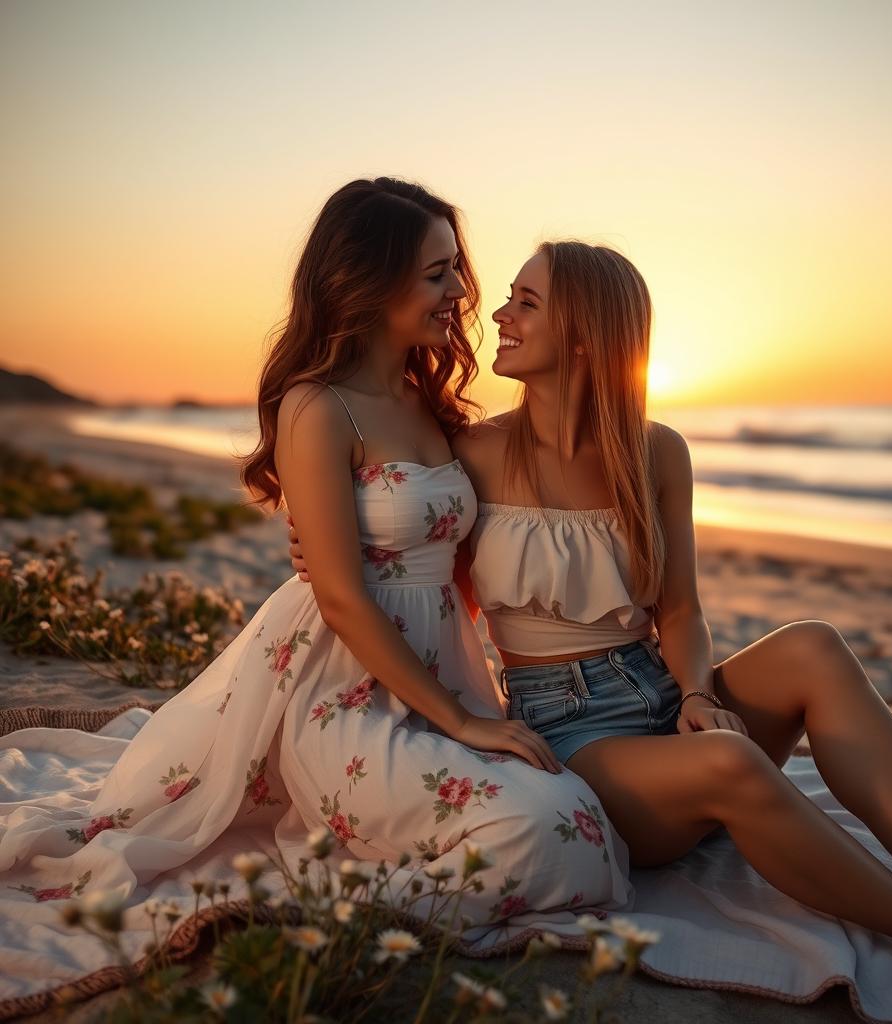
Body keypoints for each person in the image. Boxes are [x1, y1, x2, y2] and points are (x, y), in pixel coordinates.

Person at [288, 238, 892, 997]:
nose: (498, 315)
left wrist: (700, 694)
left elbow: (681, 609)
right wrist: (322, 547)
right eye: (508, 297)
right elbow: (406, 533)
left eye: (524, 302)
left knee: (815, 647)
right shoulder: (470, 451)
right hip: (573, 734)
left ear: (583, 333)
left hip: (663, 695)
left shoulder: (657, 452)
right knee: (732, 764)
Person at [0, 180, 636, 1013]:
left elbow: (465, 546)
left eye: (456, 270)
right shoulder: (317, 406)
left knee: (574, 818)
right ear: (368, 283)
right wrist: (463, 723)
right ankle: (320, 920)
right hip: (344, 692)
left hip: (444, 675)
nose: (461, 296)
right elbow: (340, 595)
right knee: (547, 832)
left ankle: (377, 877)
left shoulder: (427, 400)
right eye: (437, 274)